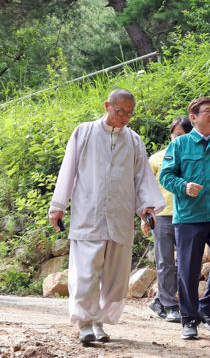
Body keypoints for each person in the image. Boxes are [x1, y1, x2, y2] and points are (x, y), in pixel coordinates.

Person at [48, 88, 166, 344]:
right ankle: (85, 324)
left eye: (129, 113)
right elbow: (68, 169)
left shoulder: (134, 141)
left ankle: (99, 321)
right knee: (86, 273)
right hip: (88, 214)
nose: (124, 116)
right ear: (107, 106)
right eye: (120, 110)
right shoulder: (84, 132)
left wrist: (146, 207)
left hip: (120, 215)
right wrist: (58, 205)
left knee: (114, 276)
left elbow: (142, 178)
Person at [159, 96, 210, 340]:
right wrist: (184, 186)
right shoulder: (179, 145)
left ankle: (206, 309)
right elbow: (165, 176)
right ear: (193, 118)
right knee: (188, 269)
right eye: (208, 111)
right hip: (189, 217)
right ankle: (189, 319)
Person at [146, 116, 193, 323]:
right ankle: (170, 305)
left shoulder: (193, 158)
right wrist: (145, 217)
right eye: (176, 134)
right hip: (162, 215)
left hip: (188, 216)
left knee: (184, 262)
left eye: (183, 135)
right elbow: (145, 189)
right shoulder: (157, 159)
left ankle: (161, 300)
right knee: (165, 261)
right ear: (171, 134)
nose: (178, 138)